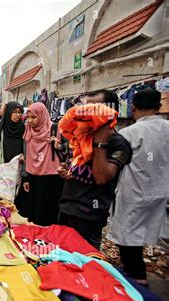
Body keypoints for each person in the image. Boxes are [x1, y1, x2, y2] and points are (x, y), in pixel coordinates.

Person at [108, 89, 168, 285]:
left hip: (134, 193)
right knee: (147, 234)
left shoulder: (128, 133)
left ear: (132, 107)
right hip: (160, 192)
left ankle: (137, 282)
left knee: (129, 241)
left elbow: (114, 166)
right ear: (158, 108)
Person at [58, 90, 132, 249]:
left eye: (92, 108)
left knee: (85, 264)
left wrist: (100, 142)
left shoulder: (119, 144)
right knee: (63, 259)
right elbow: (75, 164)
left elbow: (102, 177)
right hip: (67, 208)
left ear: (109, 111)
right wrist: (67, 170)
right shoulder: (82, 136)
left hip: (89, 214)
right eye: (84, 107)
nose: (84, 113)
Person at [22, 102, 64, 226]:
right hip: (33, 174)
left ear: (41, 115)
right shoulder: (28, 129)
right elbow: (27, 153)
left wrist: (59, 146)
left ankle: (49, 235)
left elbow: (69, 150)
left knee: (49, 207)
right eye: (28, 117)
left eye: (33, 117)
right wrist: (26, 177)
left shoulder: (54, 128)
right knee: (34, 207)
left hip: (50, 175)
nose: (30, 120)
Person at [0, 102, 25, 170]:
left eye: (19, 112)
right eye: (14, 112)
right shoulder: (1, 130)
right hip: (5, 167)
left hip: (19, 166)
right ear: (8, 113)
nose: (17, 115)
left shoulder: (23, 128)